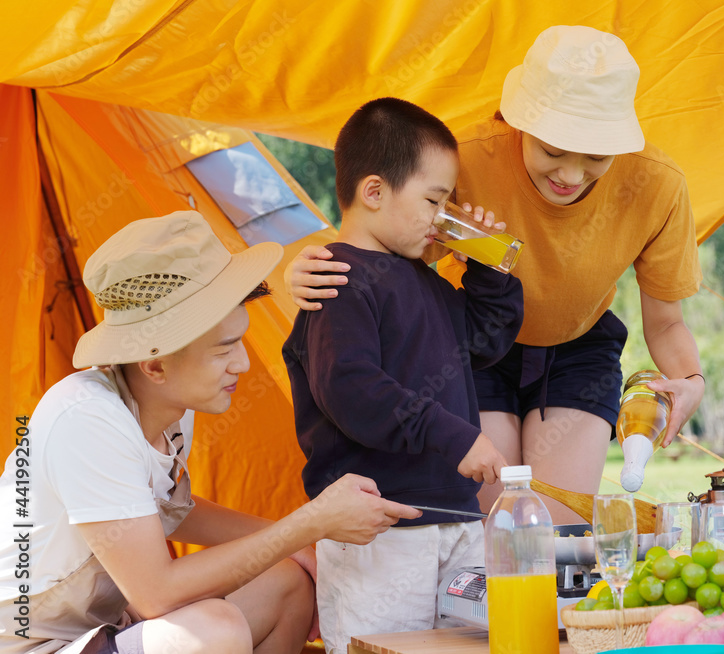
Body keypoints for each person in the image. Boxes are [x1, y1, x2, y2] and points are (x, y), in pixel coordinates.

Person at [286, 26, 705, 522]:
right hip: (475, 347)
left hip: (578, 349)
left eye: (595, 157)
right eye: (552, 151)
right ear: (519, 123)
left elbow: (666, 322)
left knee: (553, 531)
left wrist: (691, 380)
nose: (570, 175)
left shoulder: (658, 185)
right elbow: (386, 251)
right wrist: (313, 266)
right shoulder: (460, 161)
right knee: (497, 524)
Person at [0, 210, 419, 654]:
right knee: (211, 629)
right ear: (156, 364)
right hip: (28, 642)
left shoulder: (168, 402)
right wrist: (306, 525)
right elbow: (155, 593)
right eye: (223, 349)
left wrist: (299, 544)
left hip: (97, 630)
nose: (241, 363)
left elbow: (160, 510)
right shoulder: (86, 419)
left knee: (287, 583)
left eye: (239, 341)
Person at [281, 98, 523, 652]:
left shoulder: (427, 282)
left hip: (453, 519)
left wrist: (487, 269)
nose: (443, 216)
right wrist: (454, 435)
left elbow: (484, 344)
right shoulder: (336, 282)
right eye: (434, 200)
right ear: (374, 192)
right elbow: (353, 391)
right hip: (379, 532)